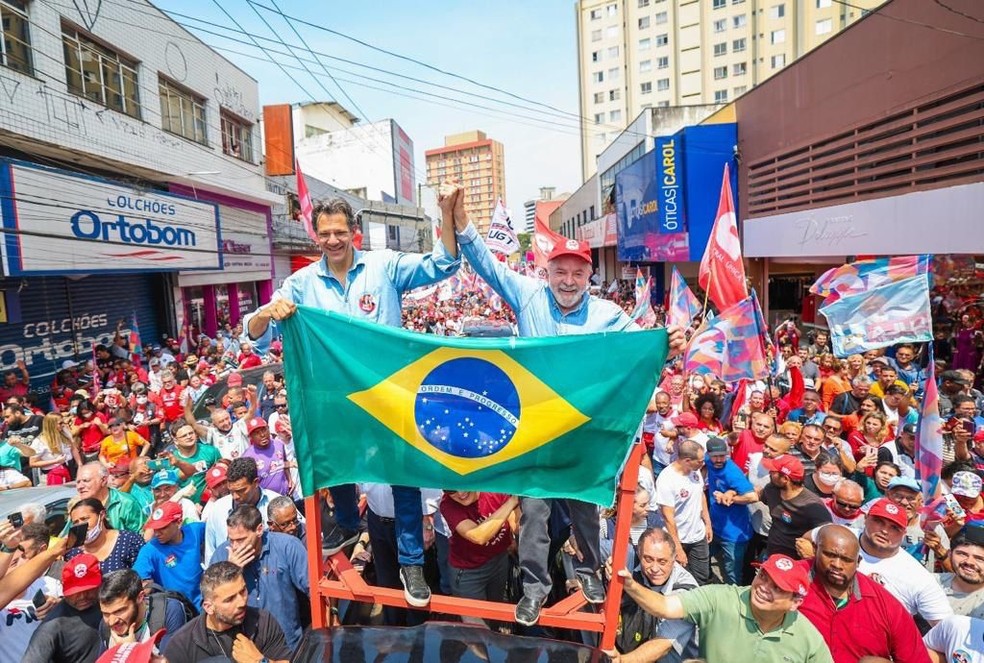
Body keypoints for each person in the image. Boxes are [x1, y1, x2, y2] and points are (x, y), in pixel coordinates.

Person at [448, 181, 684, 625]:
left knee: (586, 507)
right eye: (561, 271)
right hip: (536, 431)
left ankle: (590, 570)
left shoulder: (608, 316)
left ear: (589, 276)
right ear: (547, 271)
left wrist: (668, 343)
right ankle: (534, 590)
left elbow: (645, 350)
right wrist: (460, 220)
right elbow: (485, 265)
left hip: (584, 434)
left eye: (578, 273)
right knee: (534, 513)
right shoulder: (528, 295)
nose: (569, 281)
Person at [243, 196, 462, 608]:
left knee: (404, 474)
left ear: (353, 231)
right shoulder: (302, 283)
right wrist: (269, 311)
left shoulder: (385, 267)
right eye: (324, 233)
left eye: (340, 231)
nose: (332, 240)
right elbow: (255, 333)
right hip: (336, 402)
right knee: (331, 457)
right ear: (315, 234)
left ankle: (411, 561)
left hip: (389, 394)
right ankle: (345, 522)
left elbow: (442, 264)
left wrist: (447, 216)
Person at [618, 552, 834, 663]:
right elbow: (664, 606)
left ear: (795, 602)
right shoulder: (720, 599)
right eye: (763, 576)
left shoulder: (808, 640)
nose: (763, 587)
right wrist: (630, 584)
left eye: (777, 587)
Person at [797, 524, 930, 663]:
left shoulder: (886, 605)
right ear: (815, 549)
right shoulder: (789, 580)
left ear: (858, 562)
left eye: (846, 560)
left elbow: (917, 658)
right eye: (830, 555)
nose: (837, 564)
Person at [209, 506, 309, 652]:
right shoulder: (221, 555)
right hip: (242, 648)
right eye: (231, 540)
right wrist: (231, 571)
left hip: (286, 645)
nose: (235, 547)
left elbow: (312, 588)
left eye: (241, 540)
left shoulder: (287, 546)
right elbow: (210, 606)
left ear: (259, 530)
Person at [163, 561, 292, 663]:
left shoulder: (262, 621)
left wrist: (259, 661)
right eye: (230, 599)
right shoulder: (181, 646)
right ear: (209, 607)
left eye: (243, 591)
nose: (241, 602)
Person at [609, 528, 698, 662]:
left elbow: (662, 645)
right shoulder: (632, 557)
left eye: (662, 562)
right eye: (648, 559)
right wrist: (575, 541)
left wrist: (622, 660)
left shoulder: (687, 592)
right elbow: (597, 546)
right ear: (639, 554)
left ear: (674, 560)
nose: (655, 569)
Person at [439, 490, 518, 616]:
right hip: (469, 572)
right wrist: (512, 501)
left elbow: (516, 525)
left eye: (464, 484)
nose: (460, 493)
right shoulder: (448, 505)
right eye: (451, 490)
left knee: (495, 615)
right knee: (476, 627)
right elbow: (478, 536)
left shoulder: (494, 489)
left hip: (499, 560)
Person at [22, 552, 102, 663]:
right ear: (64, 588)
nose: (83, 596)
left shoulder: (112, 598)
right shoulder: (51, 627)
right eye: (76, 591)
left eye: (88, 589)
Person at [202, 457, 286, 563]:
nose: (235, 497)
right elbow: (210, 555)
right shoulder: (217, 510)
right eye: (231, 491)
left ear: (256, 482)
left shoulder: (277, 504)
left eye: (241, 491)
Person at [654, 440, 712, 585]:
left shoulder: (695, 471)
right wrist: (678, 548)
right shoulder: (667, 480)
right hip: (678, 539)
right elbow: (668, 517)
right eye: (700, 461)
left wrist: (708, 523)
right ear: (687, 460)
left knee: (702, 577)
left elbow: (701, 495)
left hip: (698, 536)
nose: (703, 464)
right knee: (676, 580)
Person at [133, 501, 207, 611]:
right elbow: (138, 581)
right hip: (176, 612)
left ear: (179, 522)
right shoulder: (150, 550)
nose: (157, 533)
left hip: (204, 606)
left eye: (163, 528)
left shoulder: (196, 531)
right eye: (155, 528)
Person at [704, 436, 757, 585]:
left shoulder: (731, 472)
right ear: (708, 455)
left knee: (731, 573)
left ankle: (733, 601)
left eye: (723, 456)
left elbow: (752, 496)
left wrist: (730, 497)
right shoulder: (708, 461)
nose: (719, 460)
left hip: (734, 534)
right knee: (704, 557)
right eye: (715, 457)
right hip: (715, 526)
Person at [759, 455, 832, 558]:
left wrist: (814, 553)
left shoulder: (813, 506)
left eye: (773, 471)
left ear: (785, 478)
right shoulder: (771, 489)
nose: (769, 473)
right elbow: (759, 496)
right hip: (771, 554)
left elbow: (829, 535)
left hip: (795, 562)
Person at [97, 569, 186, 651]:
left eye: (119, 611)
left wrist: (132, 651)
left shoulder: (168, 612)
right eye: (106, 614)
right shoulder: (105, 626)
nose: (112, 621)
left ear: (140, 597)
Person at [65, 498, 145, 575]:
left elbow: (144, 577)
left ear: (102, 515)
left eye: (85, 519)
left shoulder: (129, 541)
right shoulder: (72, 553)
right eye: (76, 522)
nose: (80, 525)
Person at [75, 462, 146, 533]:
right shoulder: (77, 507)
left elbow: (141, 536)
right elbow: (68, 538)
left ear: (103, 480)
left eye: (86, 481)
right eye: (78, 482)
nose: (80, 487)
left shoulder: (126, 503)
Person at [936, 526, 984, 619]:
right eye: (962, 554)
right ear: (950, 554)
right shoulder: (929, 583)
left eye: (980, 559)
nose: (969, 562)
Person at [240, 416, 291, 496]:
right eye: (256, 433)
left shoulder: (279, 444)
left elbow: (284, 462)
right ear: (251, 436)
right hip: (265, 502)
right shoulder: (247, 457)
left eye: (264, 430)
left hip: (285, 496)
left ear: (269, 429)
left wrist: (289, 480)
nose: (262, 435)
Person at [29, 412, 77, 485]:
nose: (63, 425)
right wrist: (55, 461)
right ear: (52, 425)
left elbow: (73, 448)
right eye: (60, 423)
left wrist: (80, 465)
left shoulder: (65, 432)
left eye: (63, 422)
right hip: (53, 473)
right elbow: (33, 463)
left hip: (69, 467)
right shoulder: (39, 442)